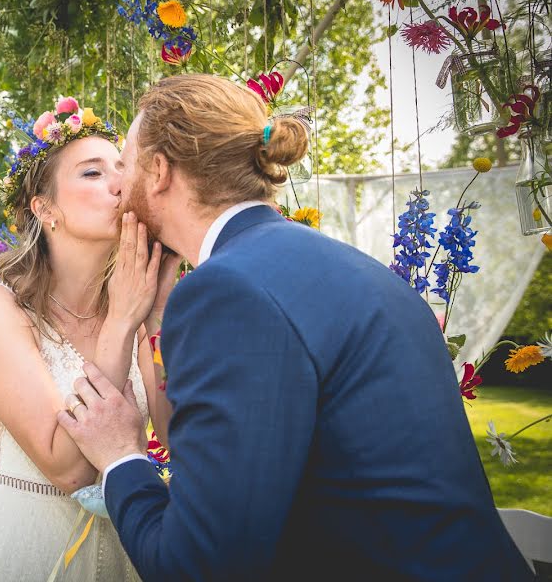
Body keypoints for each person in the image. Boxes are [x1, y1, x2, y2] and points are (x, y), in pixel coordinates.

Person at [57, 74, 533, 581]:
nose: (117, 186)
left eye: (124, 165)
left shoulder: (226, 292)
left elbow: (199, 567)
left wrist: (121, 457)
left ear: (157, 172)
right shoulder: (358, 270)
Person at [0, 101, 176, 581]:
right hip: (35, 551)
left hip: (129, 551)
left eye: (122, 167)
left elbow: (177, 436)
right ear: (45, 208)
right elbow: (68, 466)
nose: (120, 183)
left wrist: (157, 311)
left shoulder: (135, 306)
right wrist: (122, 323)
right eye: (93, 173)